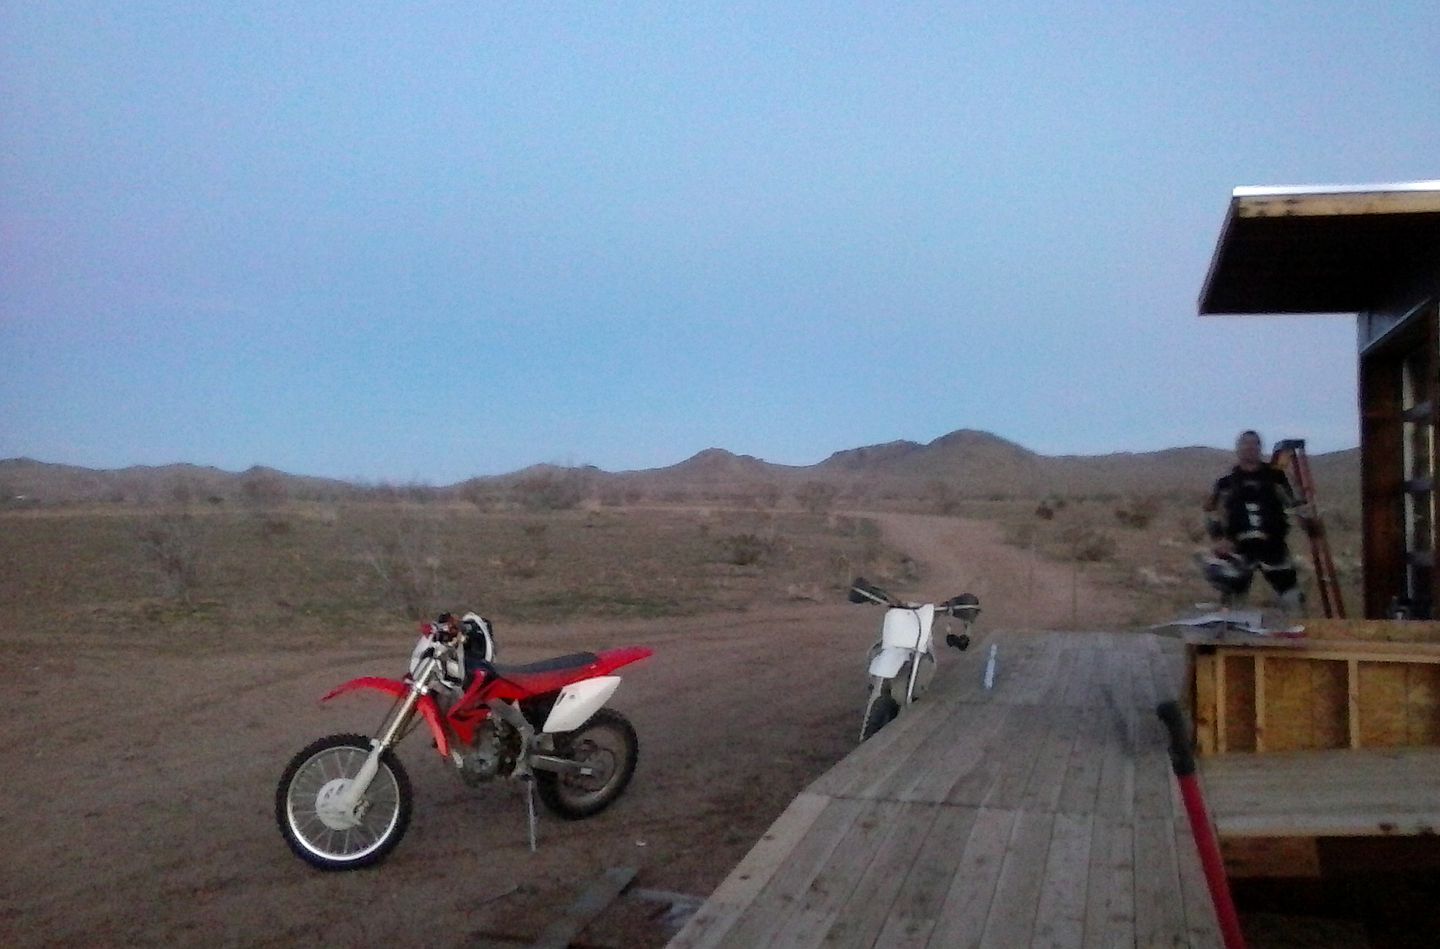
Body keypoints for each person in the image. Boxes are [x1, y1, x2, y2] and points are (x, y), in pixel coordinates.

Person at [1202, 430, 1315, 614]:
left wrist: (1308, 522)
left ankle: (1296, 637)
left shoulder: (1277, 478)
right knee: (1232, 606)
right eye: (1245, 444)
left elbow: (1296, 505)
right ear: (1238, 449)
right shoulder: (1226, 483)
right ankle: (1233, 640)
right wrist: (1218, 539)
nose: (1249, 448)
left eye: (1254, 444)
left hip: (1274, 547)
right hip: (1238, 551)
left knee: (1292, 600)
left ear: (1260, 448)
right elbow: (1211, 511)